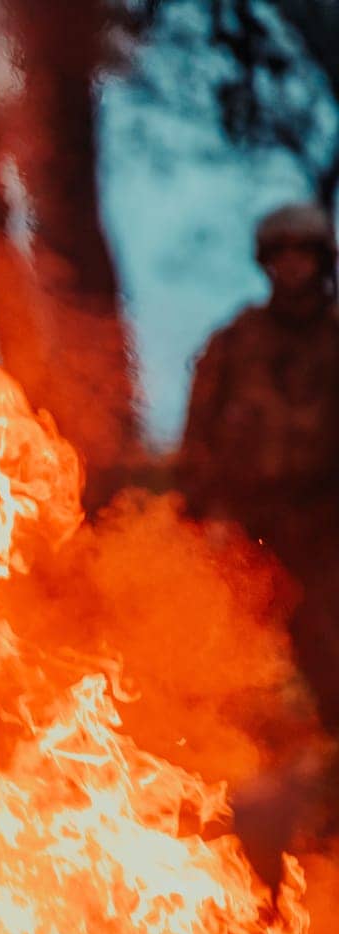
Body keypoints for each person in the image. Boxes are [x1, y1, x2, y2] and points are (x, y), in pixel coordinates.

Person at [178, 201, 339, 736]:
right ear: (265, 262)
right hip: (247, 526)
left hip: (324, 527)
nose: (292, 265)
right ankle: (232, 777)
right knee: (227, 660)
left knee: (328, 655)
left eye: (304, 253)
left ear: (322, 260)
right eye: (281, 253)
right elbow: (198, 438)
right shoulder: (234, 342)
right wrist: (206, 516)